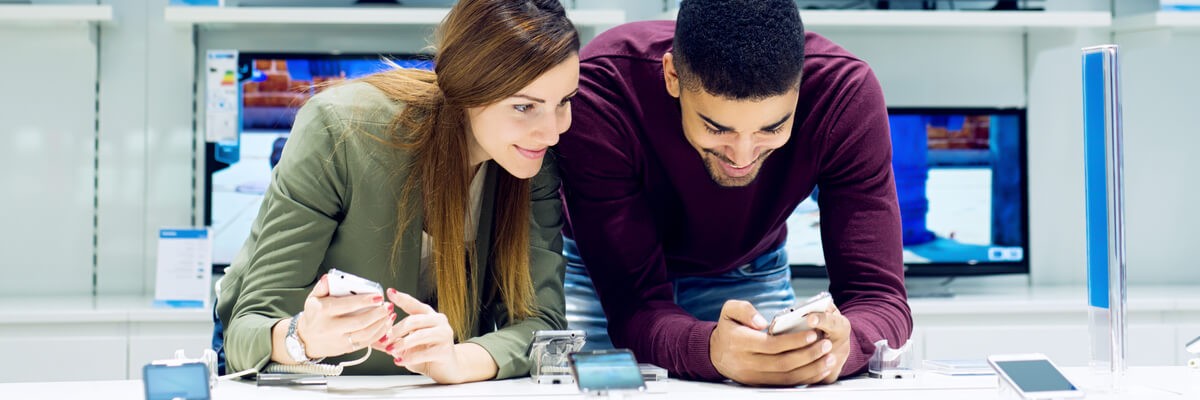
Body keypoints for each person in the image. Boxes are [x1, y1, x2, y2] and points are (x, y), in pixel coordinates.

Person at [214, 0, 579, 383]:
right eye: (524, 107)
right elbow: (245, 332)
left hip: (424, 384)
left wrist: (460, 360)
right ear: (467, 89)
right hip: (293, 366)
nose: (553, 132)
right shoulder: (340, 130)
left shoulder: (532, 160)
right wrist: (302, 337)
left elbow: (542, 325)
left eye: (565, 102)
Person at [555, 0, 912, 387]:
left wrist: (844, 346)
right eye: (718, 128)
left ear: (800, 83)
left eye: (771, 129)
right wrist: (710, 351)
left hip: (748, 270)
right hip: (597, 277)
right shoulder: (602, 89)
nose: (741, 156)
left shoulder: (844, 94)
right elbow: (635, 307)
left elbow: (879, 297)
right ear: (672, 76)